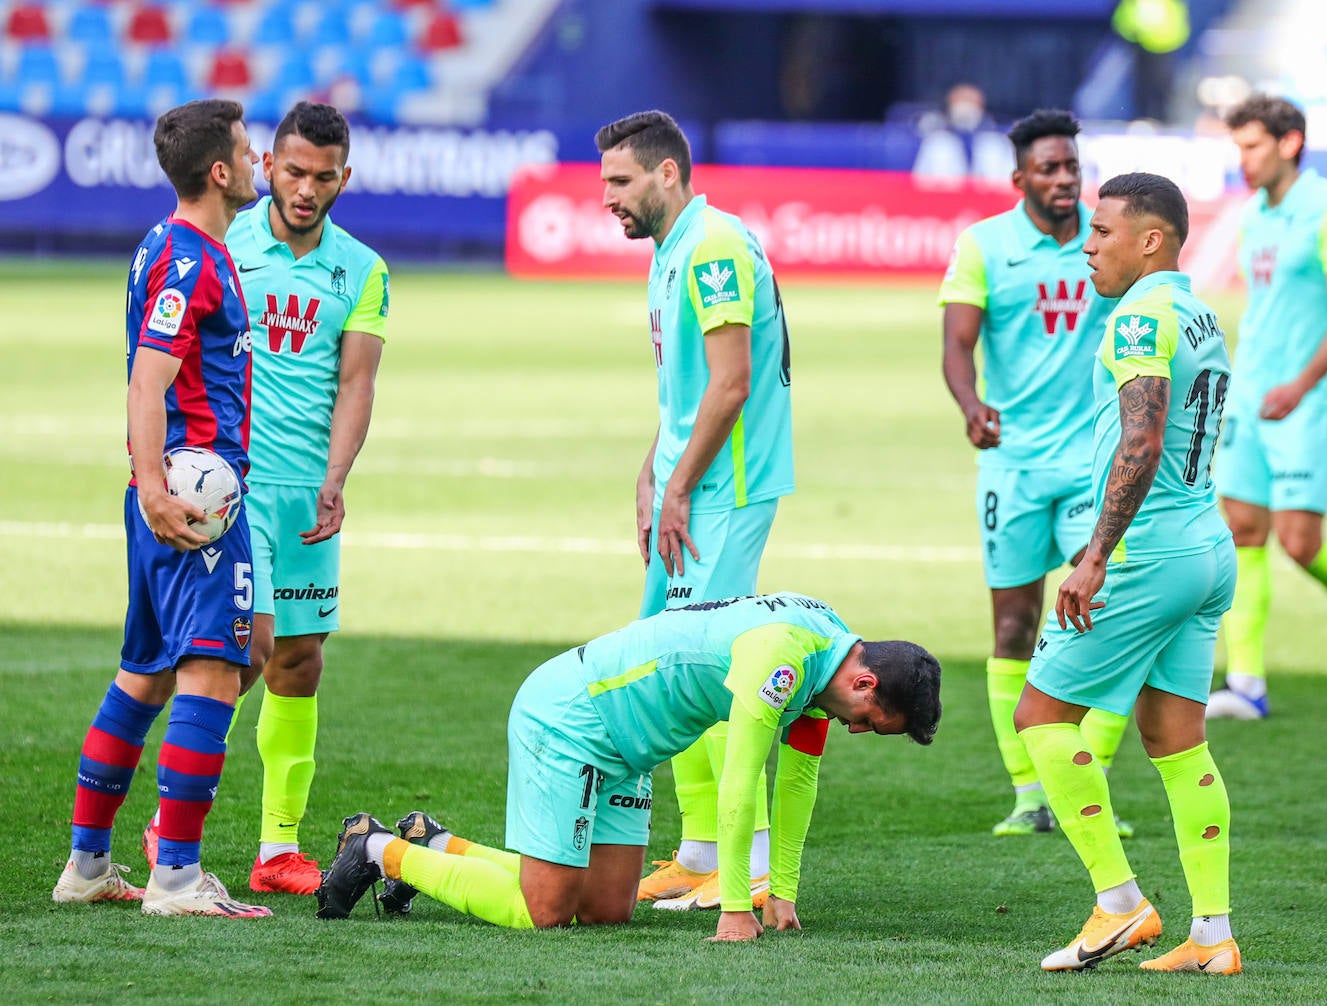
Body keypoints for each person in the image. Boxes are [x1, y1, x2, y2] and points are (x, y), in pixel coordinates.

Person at [312, 592, 942, 941]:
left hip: (630, 748)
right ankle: (378, 849)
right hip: (572, 717)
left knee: (606, 910)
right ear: (863, 682)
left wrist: (782, 894)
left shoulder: (828, 657)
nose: (853, 730)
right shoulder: (782, 660)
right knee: (547, 912)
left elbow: (798, 785)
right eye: (866, 721)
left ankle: (436, 842)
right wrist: (733, 910)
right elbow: (741, 781)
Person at [142, 102, 390, 895]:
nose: (306, 188)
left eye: (323, 176)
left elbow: (357, 382)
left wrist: (337, 476)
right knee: (243, 649)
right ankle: (170, 823)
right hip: (232, 486)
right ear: (269, 166)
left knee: (300, 662)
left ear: (343, 177)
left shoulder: (365, 269)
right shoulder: (224, 244)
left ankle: (277, 850)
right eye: (292, 170)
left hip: (308, 493)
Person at [1014, 173, 1240, 974]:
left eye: (1104, 231)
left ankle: (1119, 905)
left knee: (1041, 715)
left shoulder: (1140, 314)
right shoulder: (1200, 311)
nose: (1089, 244)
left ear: (1152, 239)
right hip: (1207, 547)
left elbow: (1142, 442)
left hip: (1149, 553)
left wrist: (1095, 555)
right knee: (1176, 740)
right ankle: (1212, 938)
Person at [51, 99, 271, 918]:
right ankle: (175, 876)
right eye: (247, 152)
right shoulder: (190, 261)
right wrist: (154, 488)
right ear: (220, 170)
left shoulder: (168, 242)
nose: (255, 163)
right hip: (191, 504)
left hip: (167, 496)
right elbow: (149, 377)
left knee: (145, 675)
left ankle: (87, 865)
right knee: (212, 670)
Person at [595, 110, 796, 909]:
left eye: (620, 181)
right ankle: (703, 849)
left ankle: (746, 864)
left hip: (725, 490)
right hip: (694, 484)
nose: (606, 197)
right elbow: (687, 388)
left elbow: (732, 380)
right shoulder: (675, 247)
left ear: (666, 174)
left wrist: (678, 487)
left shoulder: (712, 248)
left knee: (713, 668)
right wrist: (653, 467)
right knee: (677, 664)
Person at [939, 109, 1132, 837]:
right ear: (1019, 177)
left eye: (1071, 167)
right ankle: (1028, 795)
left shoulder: (1106, 238)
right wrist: (969, 400)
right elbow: (958, 343)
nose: (1063, 179)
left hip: (1095, 464)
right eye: (1048, 169)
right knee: (1015, 625)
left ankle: (1089, 789)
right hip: (1013, 466)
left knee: (1105, 618)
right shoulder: (984, 246)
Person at [1207, 94, 1327, 720]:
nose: (1242, 161)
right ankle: (1247, 683)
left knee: (1302, 544)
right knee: (1243, 530)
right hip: (1250, 398)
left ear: (1289, 142)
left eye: (1252, 147)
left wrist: (1299, 385)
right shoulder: (1255, 215)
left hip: (1304, 401)